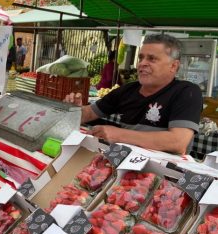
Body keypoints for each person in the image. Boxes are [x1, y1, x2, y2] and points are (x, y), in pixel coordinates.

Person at [65, 34, 202, 155]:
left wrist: (119, 135)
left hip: (165, 175)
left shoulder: (187, 92)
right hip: (122, 164)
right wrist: (74, 110)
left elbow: (177, 142)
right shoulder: (126, 91)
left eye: (152, 59)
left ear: (173, 66)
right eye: (141, 58)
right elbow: (88, 114)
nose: (142, 64)